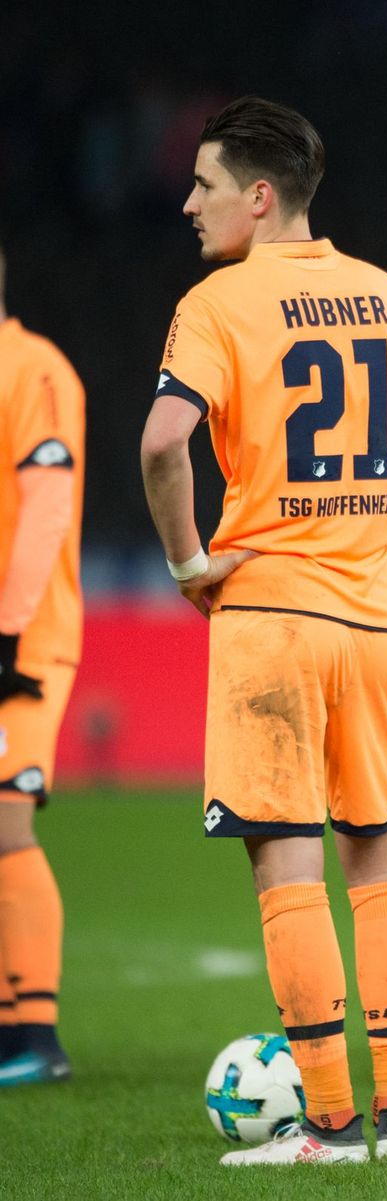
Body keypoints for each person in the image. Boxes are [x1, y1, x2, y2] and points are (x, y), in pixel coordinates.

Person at [141, 96, 387, 1165]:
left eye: (205, 185)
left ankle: (327, 1124)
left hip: (269, 611)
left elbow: (165, 443)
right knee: (382, 862)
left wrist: (185, 561)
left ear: (259, 199)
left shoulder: (219, 302)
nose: (188, 202)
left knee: (288, 867)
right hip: (376, 617)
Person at [0, 244, 85, 1088]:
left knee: (6, 822)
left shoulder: (33, 369)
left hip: (21, 642)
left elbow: (47, 508)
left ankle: (36, 1035)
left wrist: (9, 632)